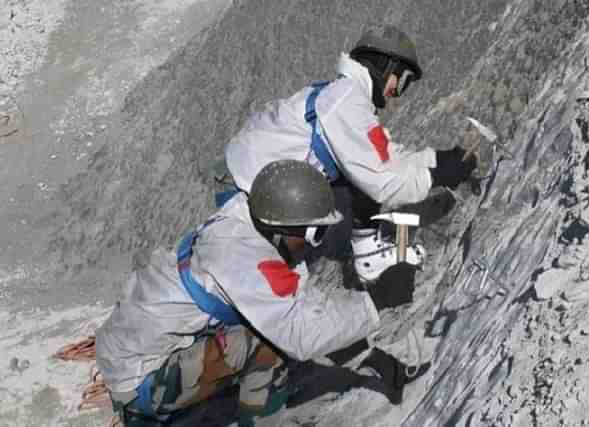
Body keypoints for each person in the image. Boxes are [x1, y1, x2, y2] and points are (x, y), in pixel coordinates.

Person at [96, 160, 424, 427]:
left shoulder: (253, 229)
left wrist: (371, 356)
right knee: (269, 346)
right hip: (138, 382)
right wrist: (378, 300)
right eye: (316, 232)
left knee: (272, 334)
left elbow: (306, 306)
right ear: (287, 227)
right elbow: (300, 333)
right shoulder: (241, 259)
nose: (318, 242)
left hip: (140, 352)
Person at [223, 24, 477, 282]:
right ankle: (369, 261)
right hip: (250, 195)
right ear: (385, 66)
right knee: (280, 281)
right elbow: (383, 181)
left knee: (356, 173)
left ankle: (367, 250)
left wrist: (435, 159)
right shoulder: (346, 103)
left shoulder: (346, 94)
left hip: (253, 177)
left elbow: (383, 156)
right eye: (402, 81)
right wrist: (435, 177)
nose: (397, 93)